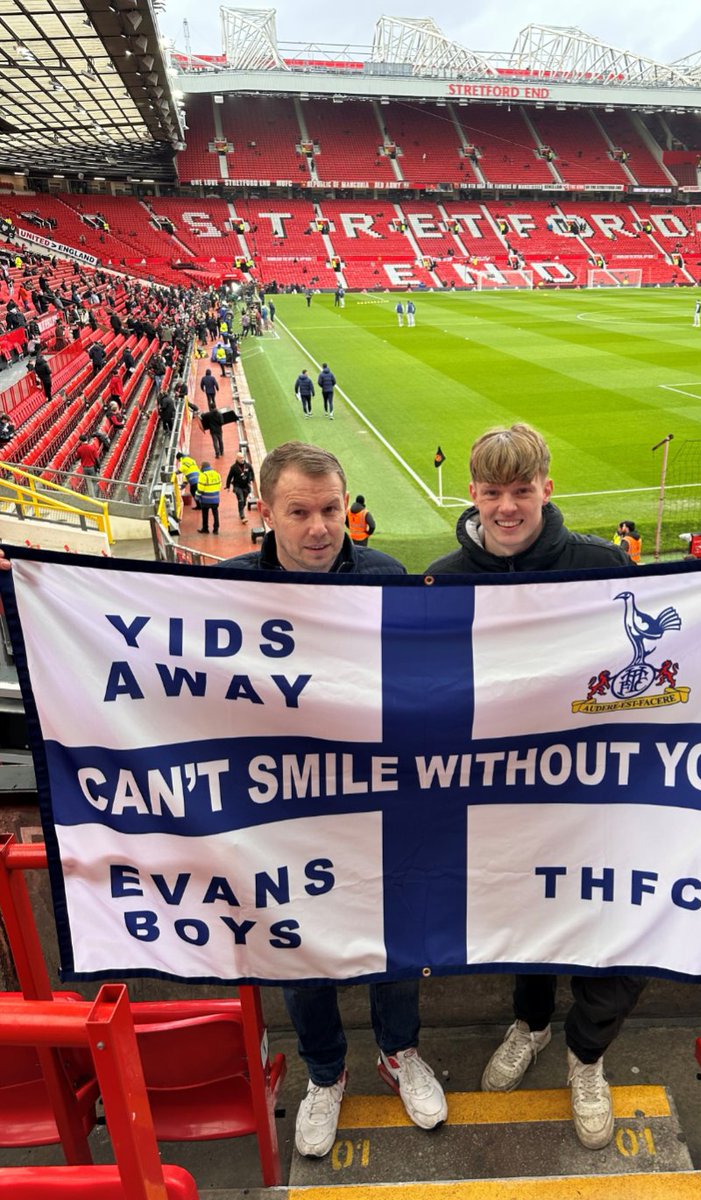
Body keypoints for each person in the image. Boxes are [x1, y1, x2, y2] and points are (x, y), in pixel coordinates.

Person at [220, 441, 447, 1157]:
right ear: (265, 512)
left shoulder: (386, 577)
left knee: (398, 941)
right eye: (300, 512)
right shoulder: (222, 591)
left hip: (382, 806)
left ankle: (398, 1052)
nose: (320, 527)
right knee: (299, 949)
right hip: (281, 818)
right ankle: (325, 1073)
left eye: (331, 510)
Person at [425, 424, 638, 1151]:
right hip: (496, 804)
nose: (507, 507)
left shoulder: (601, 565)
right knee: (522, 925)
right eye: (492, 493)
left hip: (591, 801)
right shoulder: (444, 579)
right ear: (473, 495)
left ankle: (586, 1056)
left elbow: (686, 636)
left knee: (607, 936)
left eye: (521, 490)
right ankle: (533, 1025)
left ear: (547, 487)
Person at [226, 453, 255, 523]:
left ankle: (241, 509)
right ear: (237, 459)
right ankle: (242, 516)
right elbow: (229, 477)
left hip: (245, 486)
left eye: (243, 458)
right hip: (237, 486)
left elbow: (252, 473)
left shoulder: (248, 465)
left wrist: (250, 479)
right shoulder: (233, 467)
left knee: (244, 502)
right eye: (240, 458)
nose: (242, 459)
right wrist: (228, 486)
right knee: (241, 499)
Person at [195, 460, 221, 534]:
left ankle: (205, 528)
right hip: (215, 498)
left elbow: (200, 489)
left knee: (205, 514)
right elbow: (219, 485)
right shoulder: (217, 474)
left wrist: (197, 496)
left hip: (206, 499)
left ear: (203, 467)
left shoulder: (203, 475)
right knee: (215, 513)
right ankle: (216, 529)